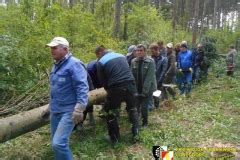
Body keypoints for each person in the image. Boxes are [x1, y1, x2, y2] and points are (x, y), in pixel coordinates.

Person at [42, 37, 89, 160]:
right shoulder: (56, 65)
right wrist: (49, 107)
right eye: (51, 48)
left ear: (65, 49)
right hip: (56, 110)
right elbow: (56, 89)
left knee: (58, 143)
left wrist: (79, 109)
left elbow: (82, 88)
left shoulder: (75, 64)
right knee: (55, 142)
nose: (52, 50)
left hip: (69, 110)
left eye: (54, 48)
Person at [96, 45, 139, 144]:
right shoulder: (121, 56)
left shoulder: (101, 61)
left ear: (101, 54)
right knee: (132, 108)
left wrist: (109, 92)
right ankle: (136, 134)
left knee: (110, 111)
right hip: (131, 84)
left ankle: (115, 139)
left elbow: (102, 81)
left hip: (116, 86)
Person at [131, 44, 156, 128]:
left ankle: (145, 122)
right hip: (137, 88)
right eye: (137, 50)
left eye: (141, 50)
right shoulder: (133, 61)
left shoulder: (150, 61)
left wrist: (144, 92)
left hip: (147, 88)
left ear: (145, 51)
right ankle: (136, 122)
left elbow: (149, 78)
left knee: (144, 107)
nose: (139, 52)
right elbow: (131, 76)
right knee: (136, 106)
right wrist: (133, 89)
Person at [150, 43, 168, 108]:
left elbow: (163, 71)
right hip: (151, 79)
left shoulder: (164, 59)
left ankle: (157, 106)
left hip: (158, 79)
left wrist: (159, 81)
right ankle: (153, 105)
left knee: (156, 93)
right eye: (151, 51)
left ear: (157, 49)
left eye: (152, 51)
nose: (151, 53)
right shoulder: (150, 58)